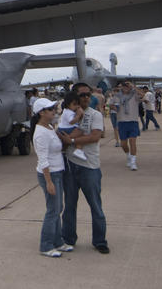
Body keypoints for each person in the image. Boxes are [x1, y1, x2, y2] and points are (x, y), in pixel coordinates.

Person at [58, 85, 109, 254]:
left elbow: (95, 136)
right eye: (82, 95)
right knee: (70, 205)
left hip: (90, 166)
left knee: (95, 205)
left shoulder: (95, 115)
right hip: (71, 165)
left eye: (88, 94)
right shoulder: (68, 114)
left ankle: (100, 240)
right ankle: (68, 238)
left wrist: (71, 141)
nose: (86, 97)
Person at [30, 98, 72, 257]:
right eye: (51, 109)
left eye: (54, 108)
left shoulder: (49, 127)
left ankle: (58, 241)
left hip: (58, 171)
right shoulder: (40, 133)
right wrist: (49, 182)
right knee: (53, 210)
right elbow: (43, 160)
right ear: (41, 113)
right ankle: (46, 245)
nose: (54, 111)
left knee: (57, 208)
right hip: (50, 174)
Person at [116, 81, 141, 170]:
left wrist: (134, 86)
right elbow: (111, 105)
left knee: (132, 141)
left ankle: (133, 162)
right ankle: (128, 156)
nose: (126, 88)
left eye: (127, 86)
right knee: (123, 144)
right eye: (124, 86)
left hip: (133, 121)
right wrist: (113, 107)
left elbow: (142, 95)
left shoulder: (134, 95)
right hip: (122, 121)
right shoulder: (117, 96)